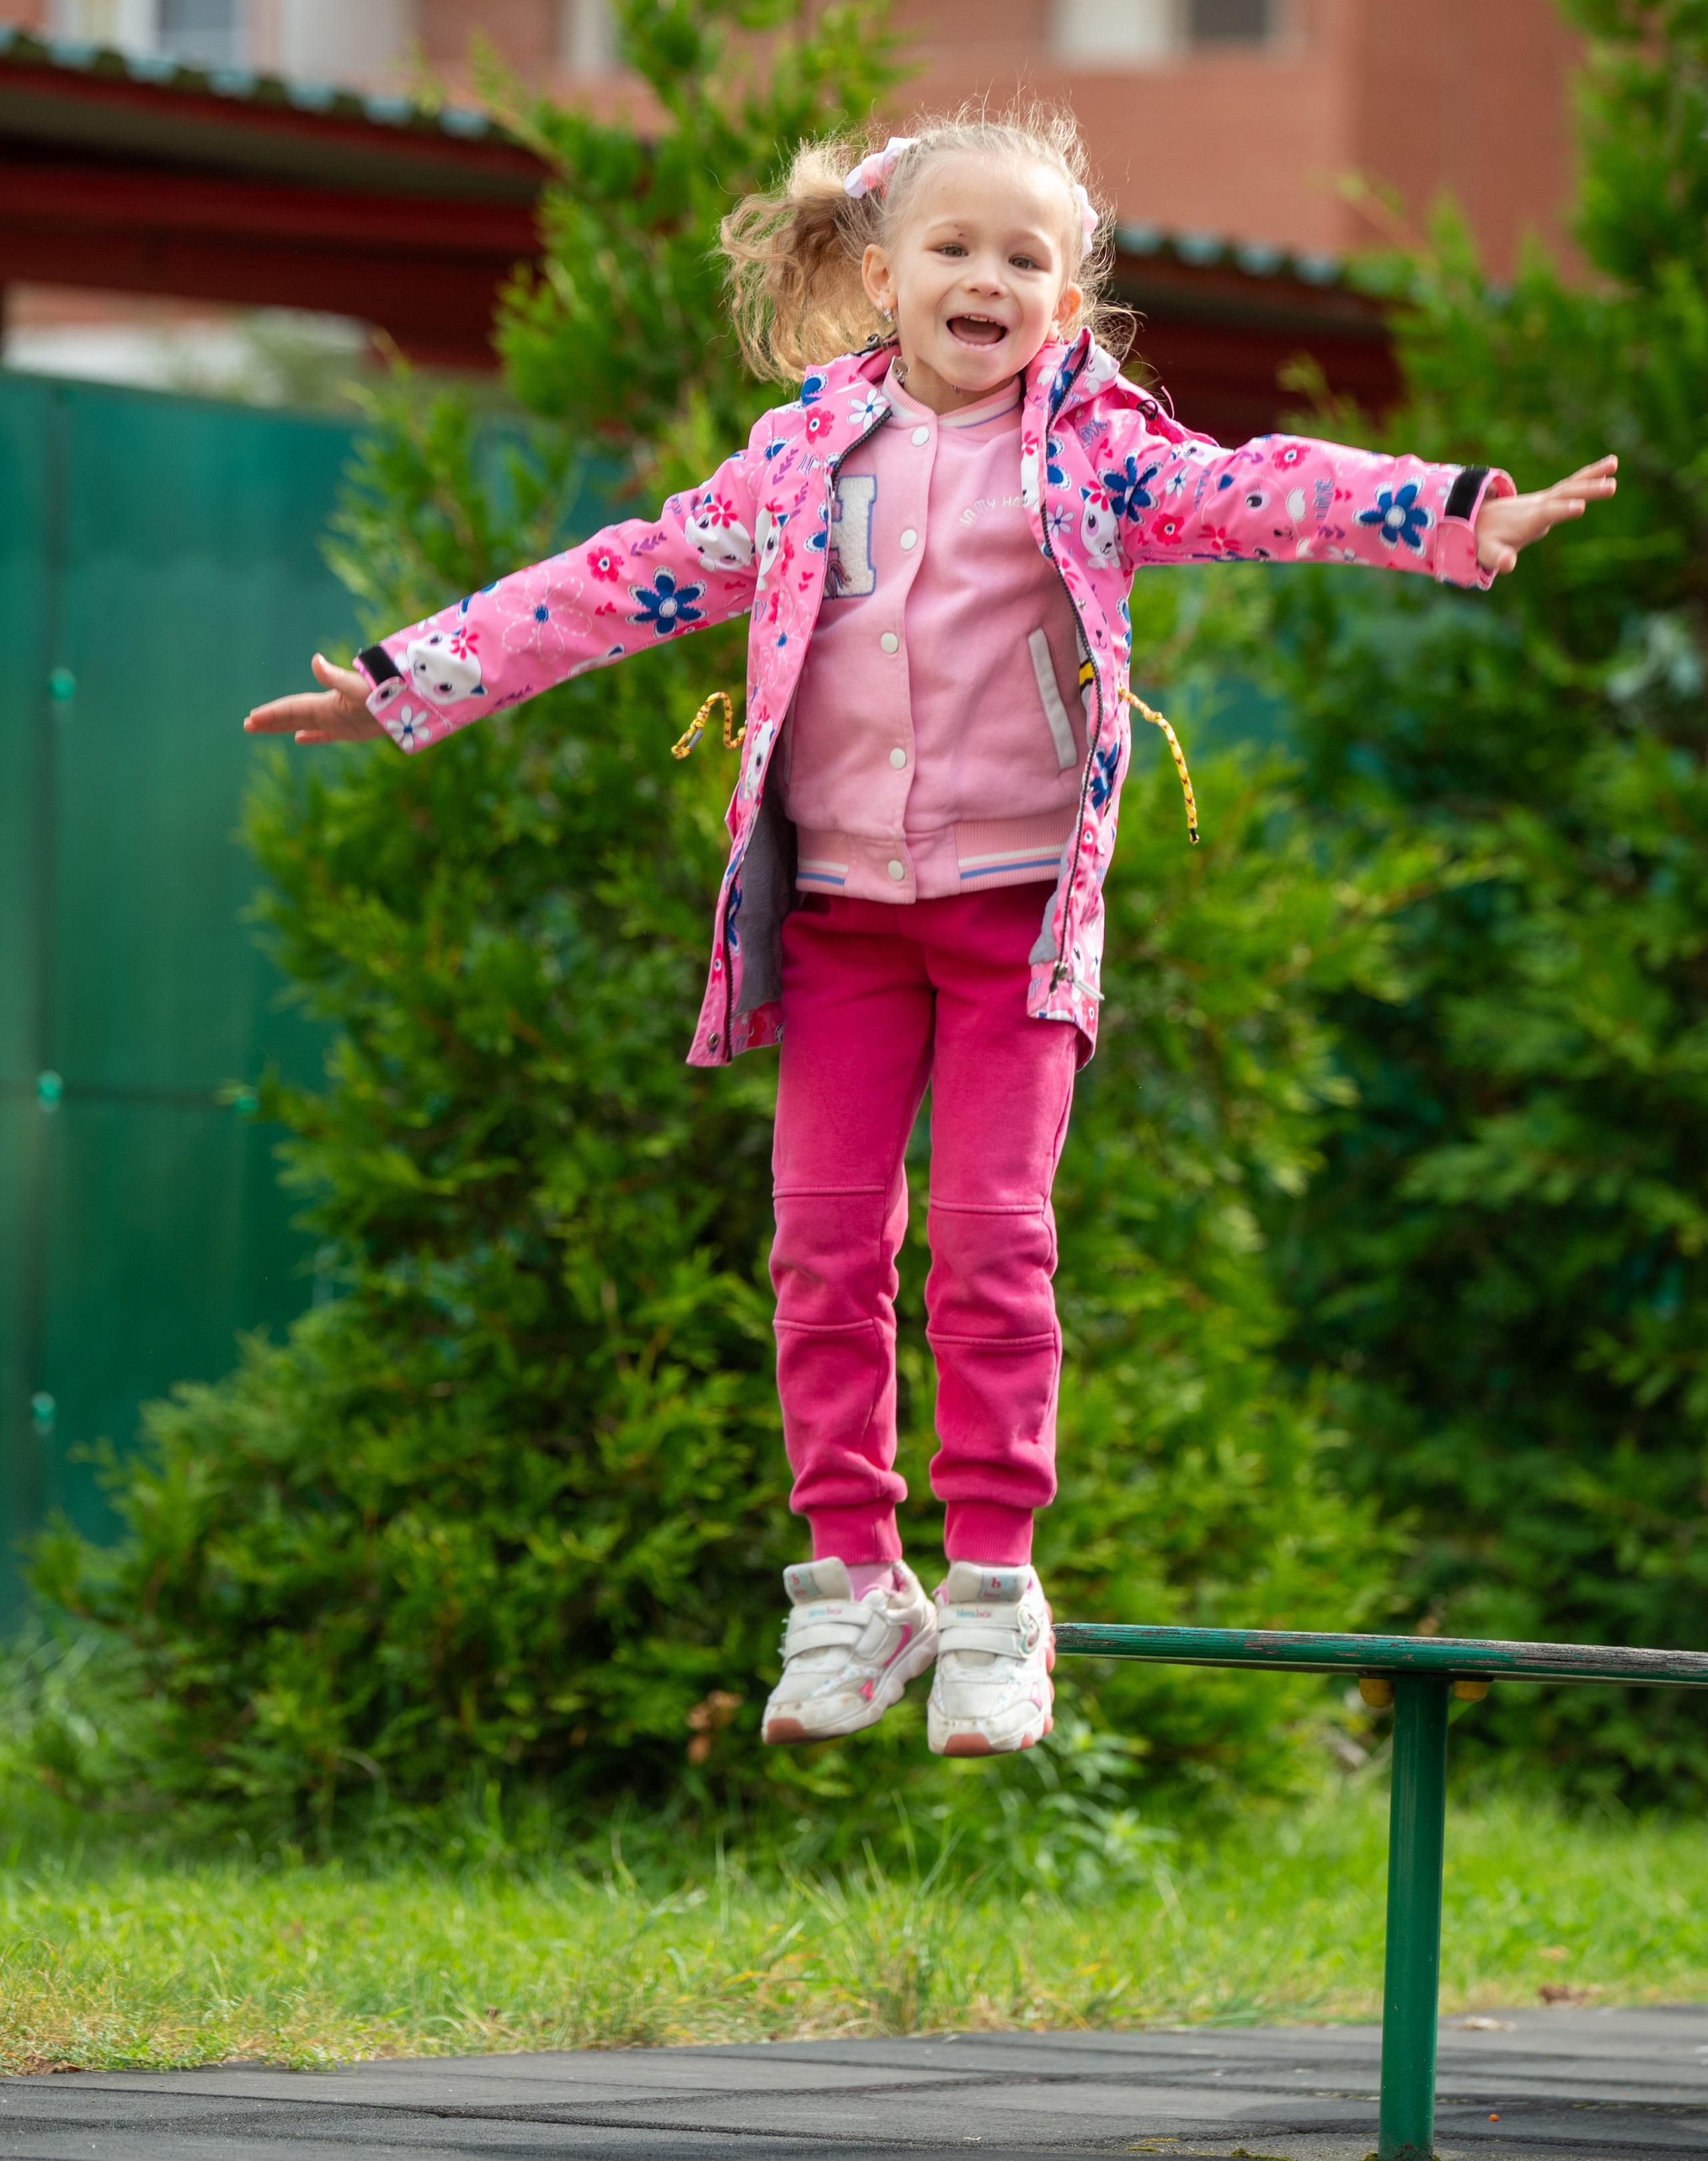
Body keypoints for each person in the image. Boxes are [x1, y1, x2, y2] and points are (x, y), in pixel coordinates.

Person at [246, 106, 1616, 1759]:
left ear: (1066, 302)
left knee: (987, 1242)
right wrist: (406, 681)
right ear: (882, 274)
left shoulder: (1096, 454)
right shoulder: (796, 458)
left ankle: (990, 1591)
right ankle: (850, 1581)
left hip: (1012, 925)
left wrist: (1454, 514)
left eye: (1025, 259)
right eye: (954, 247)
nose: (987, 278)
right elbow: (619, 577)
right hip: (840, 921)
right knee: (820, 1247)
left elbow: (1263, 486)